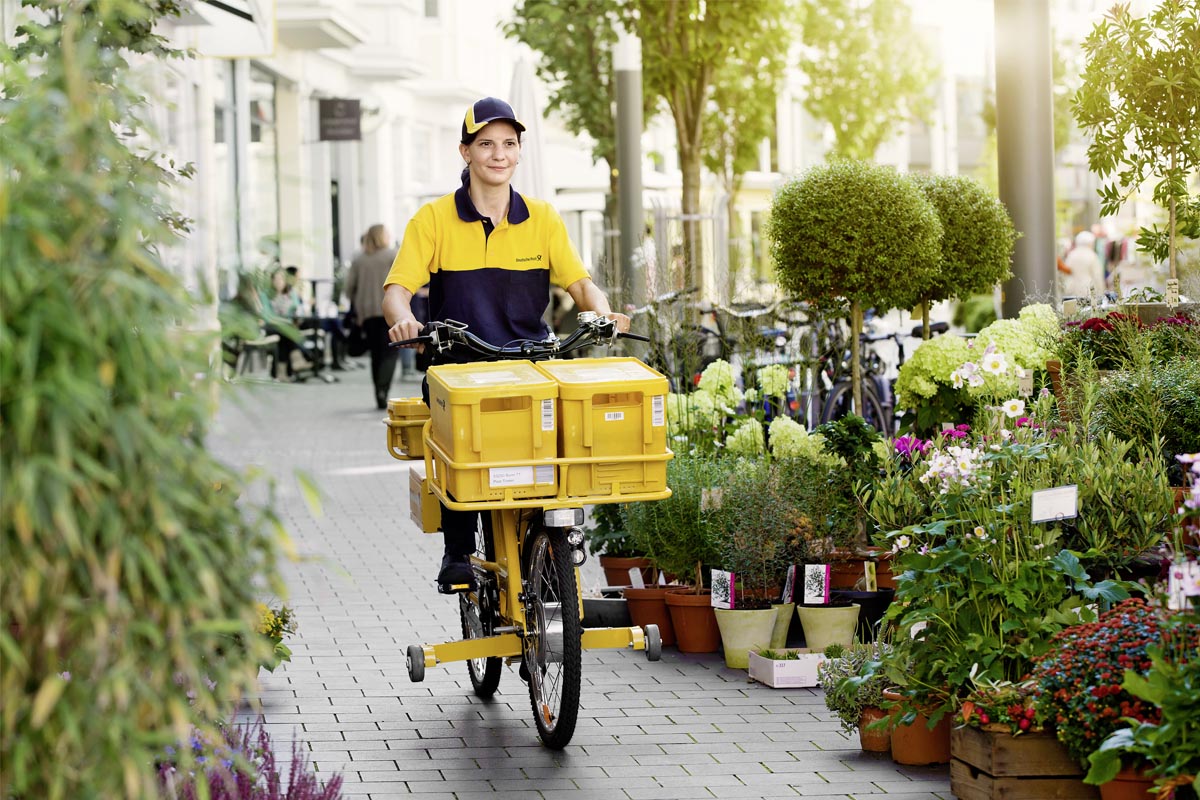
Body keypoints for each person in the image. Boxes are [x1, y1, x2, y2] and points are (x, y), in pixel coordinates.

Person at [382, 96, 629, 591]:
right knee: (457, 450)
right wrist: (405, 321)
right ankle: (458, 549)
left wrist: (601, 312)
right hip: (459, 365)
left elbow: (580, 283)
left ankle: (551, 541)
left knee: (554, 448)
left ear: (519, 153)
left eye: (509, 144)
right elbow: (397, 291)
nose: (498, 154)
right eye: (486, 144)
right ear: (465, 152)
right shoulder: (432, 220)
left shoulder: (541, 218)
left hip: (529, 363)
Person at [346, 224, 401, 409]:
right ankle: (383, 388)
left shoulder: (359, 259)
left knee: (376, 354)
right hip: (390, 311)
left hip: (367, 314)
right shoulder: (392, 255)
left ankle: (378, 389)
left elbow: (349, 288)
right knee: (391, 352)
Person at [1060, 230, 1105, 302]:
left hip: (1073, 288)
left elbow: (1067, 271)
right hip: (1088, 289)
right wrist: (1101, 292)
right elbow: (1097, 276)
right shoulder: (1092, 255)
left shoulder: (1072, 254)